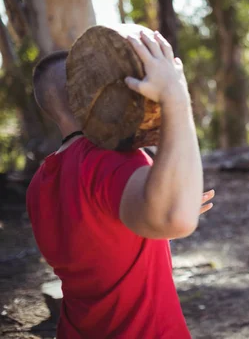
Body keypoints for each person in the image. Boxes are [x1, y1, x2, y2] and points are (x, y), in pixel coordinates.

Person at [26, 31, 213, 338]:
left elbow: (98, 239)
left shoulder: (40, 183)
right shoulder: (108, 160)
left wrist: (161, 201)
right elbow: (175, 219)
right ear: (88, 90)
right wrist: (175, 98)